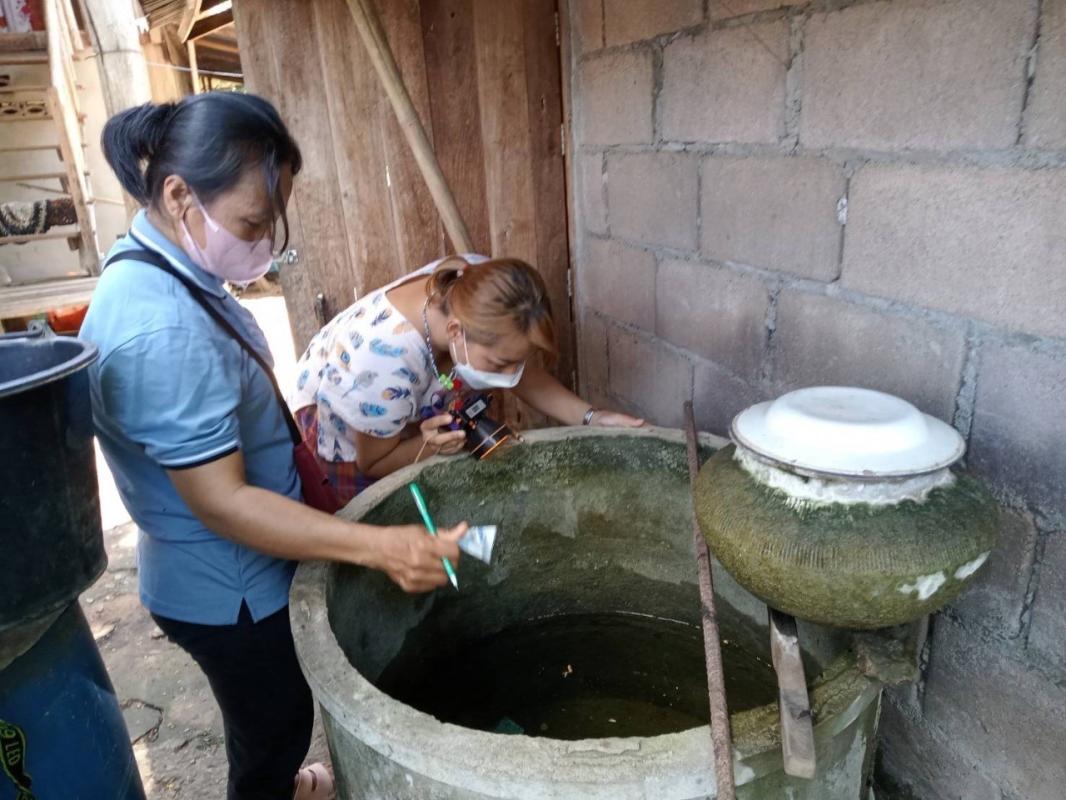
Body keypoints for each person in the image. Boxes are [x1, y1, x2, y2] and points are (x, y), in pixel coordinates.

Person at [80, 93, 466, 800]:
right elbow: (222, 504)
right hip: (228, 591)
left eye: (270, 221)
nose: (262, 244)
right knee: (274, 724)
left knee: (267, 722)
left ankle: (282, 780)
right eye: (251, 223)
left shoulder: (162, 260)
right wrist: (381, 547)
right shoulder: (162, 330)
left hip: (225, 573)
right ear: (177, 194)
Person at [290, 253, 644, 503]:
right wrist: (427, 445)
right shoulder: (383, 364)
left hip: (394, 401)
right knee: (385, 514)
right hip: (342, 421)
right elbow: (374, 463)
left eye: (516, 362)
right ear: (456, 331)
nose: (511, 375)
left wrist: (593, 417)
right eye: (500, 363)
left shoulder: (480, 284)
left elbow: (520, 375)